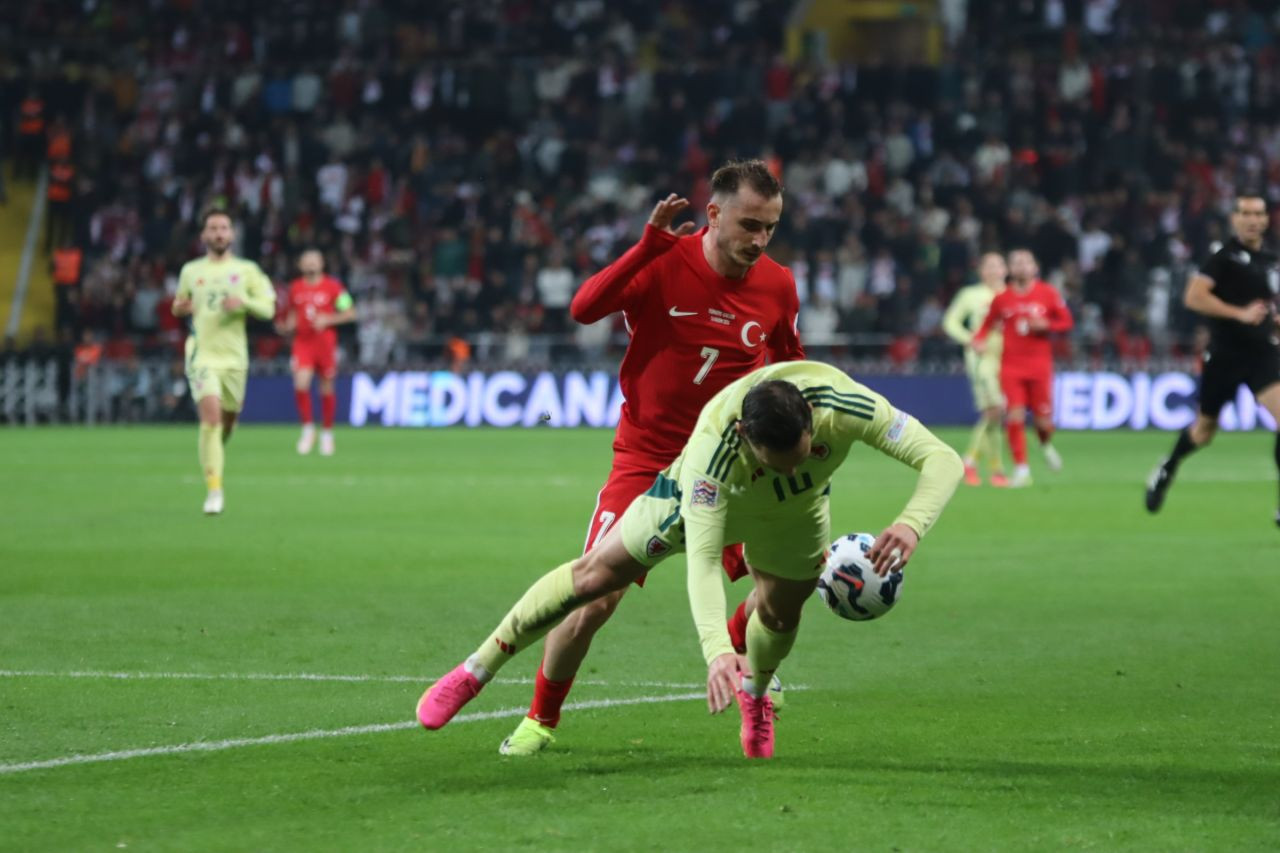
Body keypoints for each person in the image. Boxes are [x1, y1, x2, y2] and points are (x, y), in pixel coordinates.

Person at [415, 360, 963, 759]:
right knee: (594, 577)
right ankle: (474, 671)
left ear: (809, 424)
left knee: (780, 614)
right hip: (695, 504)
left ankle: (756, 695)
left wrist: (910, 524)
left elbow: (942, 458)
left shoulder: (845, 406)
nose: (792, 464)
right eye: (779, 461)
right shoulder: (712, 453)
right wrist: (717, 652)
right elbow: (701, 560)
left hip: (795, 515)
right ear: (748, 439)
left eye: (803, 453)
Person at [498, 159, 805, 756]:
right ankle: (540, 718)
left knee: (781, 588)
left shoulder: (778, 285)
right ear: (712, 214)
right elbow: (584, 309)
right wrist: (644, 246)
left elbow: (790, 363)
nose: (760, 240)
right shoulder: (663, 261)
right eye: (749, 225)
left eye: (770, 227)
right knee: (593, 597)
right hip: (646, 458)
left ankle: (742, 652)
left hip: (729, 460)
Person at [1146, 193, 1280, 524]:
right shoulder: (1223, 258)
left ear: (1266, 219)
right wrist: (1239, 313)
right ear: (1234, 219)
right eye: (1245, 213)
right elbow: (1194, 297)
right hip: (1225, 355)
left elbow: (1266, 306)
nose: (1252, 219)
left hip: (1262, 354)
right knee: (1204, 430)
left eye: (1258, 213)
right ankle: (1168, 467)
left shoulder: (1271, 259)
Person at [172, 207, 277, 514]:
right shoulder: (191, 271)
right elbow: (180, 305)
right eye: (213, 228)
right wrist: (179, 309)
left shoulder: (248, 271)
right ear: (204, 235)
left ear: (231, 234)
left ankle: (217, 448)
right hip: (202, 353)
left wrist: (242, 302)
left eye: (224, 228)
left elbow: (268, 310)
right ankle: (214, 490)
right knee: (211, 420)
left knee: (228, 419)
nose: (218, 233)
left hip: (234, 358)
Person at [972, 248, 1073, 487]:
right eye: (1016, 263)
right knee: (1014, 415)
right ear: (1010, 269)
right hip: (1011, 367)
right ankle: (1021, 468)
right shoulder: (1002, 299)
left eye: (1026, 262)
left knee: (1044, 422)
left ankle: (1045, 443)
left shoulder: (1047, 293)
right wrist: (979, 339)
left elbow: (1067, 322)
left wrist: (1046, 324)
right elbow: (987, 325)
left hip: (1039, 367)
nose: (1021, 267)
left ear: (1035, 267)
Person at [276, 249, 356, 455]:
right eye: (307, 261)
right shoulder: (295, 288)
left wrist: (329, 319)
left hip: (325, 344)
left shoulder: (333, 286)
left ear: (322, 264)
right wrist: (286, 326)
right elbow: (293, 315)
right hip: (303, 343)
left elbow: (350, 313)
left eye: (315, 261)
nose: (311, 265)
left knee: (327, 388)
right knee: (301, 383)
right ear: (300, 266)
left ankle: (327, 433)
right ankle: (308, 429)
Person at [942, 252, 1009, 487]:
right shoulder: (971, 295)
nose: (993, 270)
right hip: (982, 359)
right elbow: (950, 322)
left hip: (1007, 359)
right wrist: (970, 339)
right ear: (981, 271)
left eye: (998, 265)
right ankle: (970, 462)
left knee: (994, 415)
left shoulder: (1010, 295)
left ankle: (996, 469)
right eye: (988, 266)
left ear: (1005, 269)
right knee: (995, 409)